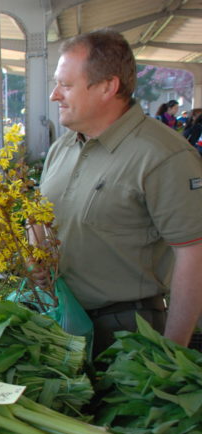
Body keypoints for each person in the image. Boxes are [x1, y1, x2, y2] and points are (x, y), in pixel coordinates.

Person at [36, 29, 202, 357]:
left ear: (108, 87)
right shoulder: (63, 147)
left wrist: (172, 357)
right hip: (60, 319)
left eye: (66, 85)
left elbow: (193, 256)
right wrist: (34, 258)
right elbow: (40, 220)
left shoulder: (162, 156)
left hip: (127, 332)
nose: (55, 95)